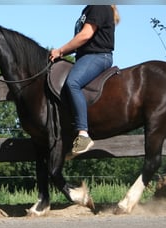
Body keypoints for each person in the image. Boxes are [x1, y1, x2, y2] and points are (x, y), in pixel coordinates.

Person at [50, 5, 120, 156]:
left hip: (98, 56)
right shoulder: (88, 8)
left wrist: (61, 51)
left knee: (73, 83)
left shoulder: (99, 6)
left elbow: (85, 35)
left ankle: (83, 134)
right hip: (85, 57)